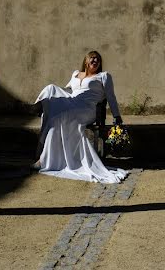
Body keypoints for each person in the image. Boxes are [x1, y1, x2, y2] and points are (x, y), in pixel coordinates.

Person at [30, 50, 128, 183]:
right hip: (72, 102)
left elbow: (111, 97)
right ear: (86, 60)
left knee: (60, 115)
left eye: (98, 59)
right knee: (51, 89)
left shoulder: (103, 76)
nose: (95, 61)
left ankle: (44, 158)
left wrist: (117, 116)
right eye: (92, 58)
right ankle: (40, 107)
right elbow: (67, 90)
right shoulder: (76, 74)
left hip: (87, 108)